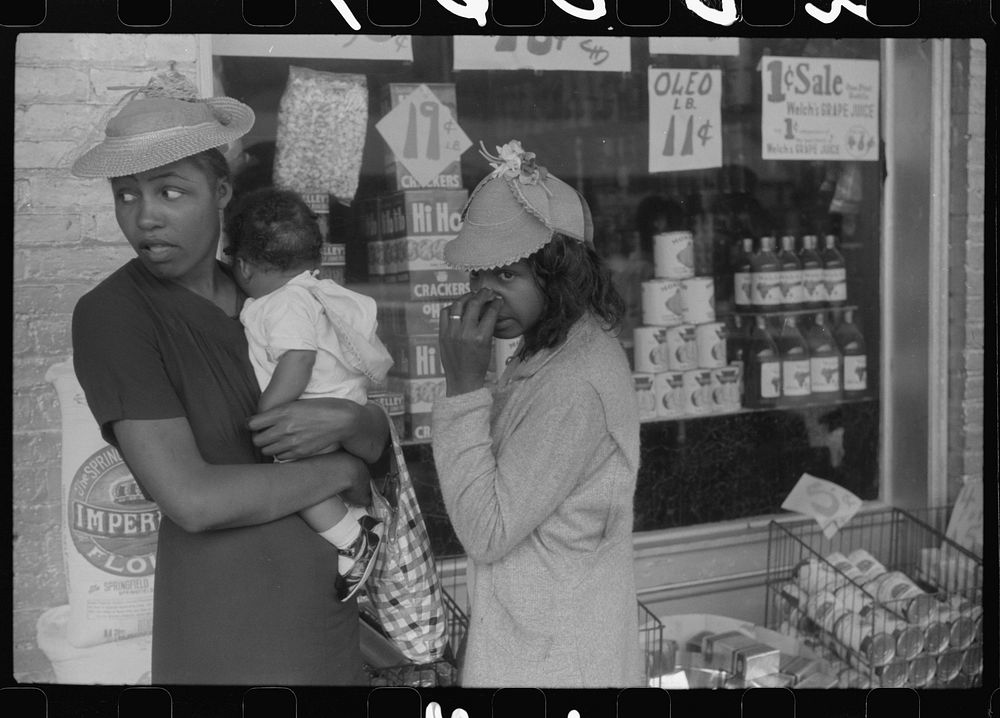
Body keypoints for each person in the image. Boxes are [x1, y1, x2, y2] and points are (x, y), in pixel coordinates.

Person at [69, 72, 390, 685]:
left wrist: (357, 420)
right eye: (125, 195)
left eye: (170, 191)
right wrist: (343, 468)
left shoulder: (271, 292)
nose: (145, 218)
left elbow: (373, 439)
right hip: (227, 632)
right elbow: (192, 500)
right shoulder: (115, 316)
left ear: (220, 192)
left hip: (328, 617)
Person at [431, 140, 644, 687]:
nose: (486, 293)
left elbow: (487, 530)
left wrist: (461, 387)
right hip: (545, 636)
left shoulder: (574, 383)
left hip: (552, 659)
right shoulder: (555, 345)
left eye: (508, 276)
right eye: (480, 275)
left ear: (563, 276)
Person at [223, 186, 393, 602]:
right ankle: (356, 519)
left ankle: (352, 539)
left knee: (291, 475)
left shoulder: (283, 303)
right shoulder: (310, 293)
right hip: (339, 406)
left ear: (244, 267)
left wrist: (269, 411)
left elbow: (297, 359)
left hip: (313, 410)